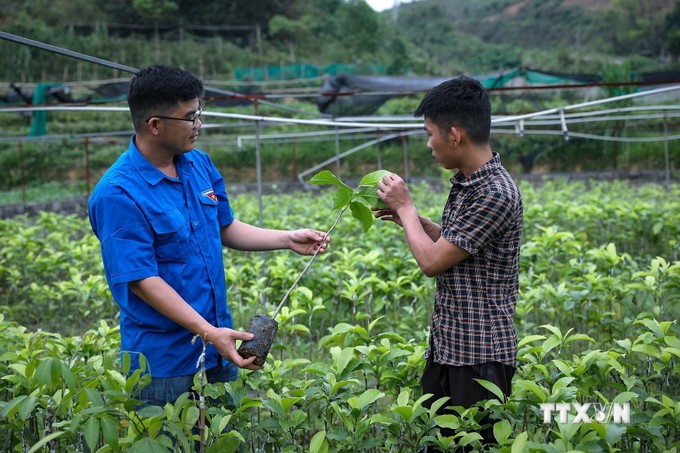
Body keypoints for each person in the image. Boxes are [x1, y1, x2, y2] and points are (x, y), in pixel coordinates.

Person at [88, 64, 329, 407]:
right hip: (162, 363)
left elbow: (224, 226)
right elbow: (142, 280)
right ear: (155, 124)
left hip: (218, 346)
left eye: (198, 112)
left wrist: (287, 239)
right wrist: (208, 332)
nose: (198, 124)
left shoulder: (198, 164)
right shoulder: (118, 194)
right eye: (189, 117)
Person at [375, 75, 523, 444]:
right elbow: (460, 248)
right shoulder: (469, 183)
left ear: (454, 135)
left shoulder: (496, 193)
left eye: (430, 133)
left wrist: (407, 208)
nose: (428, 144)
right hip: (449, 347)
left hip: (480, 358)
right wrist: (420, 224)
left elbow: (431, 263)